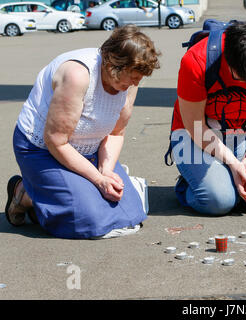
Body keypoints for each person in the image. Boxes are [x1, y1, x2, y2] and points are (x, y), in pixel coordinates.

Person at [5, 25, 161, 239]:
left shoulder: (130, 82)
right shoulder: (78, 75)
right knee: (88, 219)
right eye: (132, 77)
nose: (135, 83)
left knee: (132, 214)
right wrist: (98, 180)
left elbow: (116, 133)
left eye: (139, 79)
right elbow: (56, 141)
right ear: (113, 64)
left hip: (90, 148)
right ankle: (25, 193)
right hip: (43, 150)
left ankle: (54, 191)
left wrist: (106, 171)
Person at [169, 21, 246, 216]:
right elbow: (195, 126)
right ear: (227, 59)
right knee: (218, 202)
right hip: (197, 134)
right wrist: (234, 164)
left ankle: (226, 180)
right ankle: (191, 184)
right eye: (241, 77)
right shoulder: (197, 61)